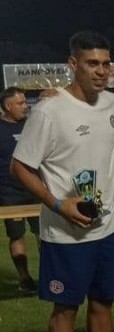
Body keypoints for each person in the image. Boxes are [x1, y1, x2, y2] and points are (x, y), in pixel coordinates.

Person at [11, 30, 114, 332]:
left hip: (108, 227)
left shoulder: (112, 104)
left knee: (103, 302)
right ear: (72, 64)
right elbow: (20, 166)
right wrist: (57, 203)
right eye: (92, 64)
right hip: (67, 233)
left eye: (106, 63)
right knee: (66, 308)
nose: (101, 71)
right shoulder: (50, 111)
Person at [0, 87, 38, 294]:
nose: (26, 107)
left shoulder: (32, 125)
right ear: (8, 106)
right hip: (10, 193)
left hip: (36, 188)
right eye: (21, 103)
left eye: (26, 102)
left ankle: (51, 274)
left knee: (45, 233)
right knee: (17, 236)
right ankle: (25, 279)